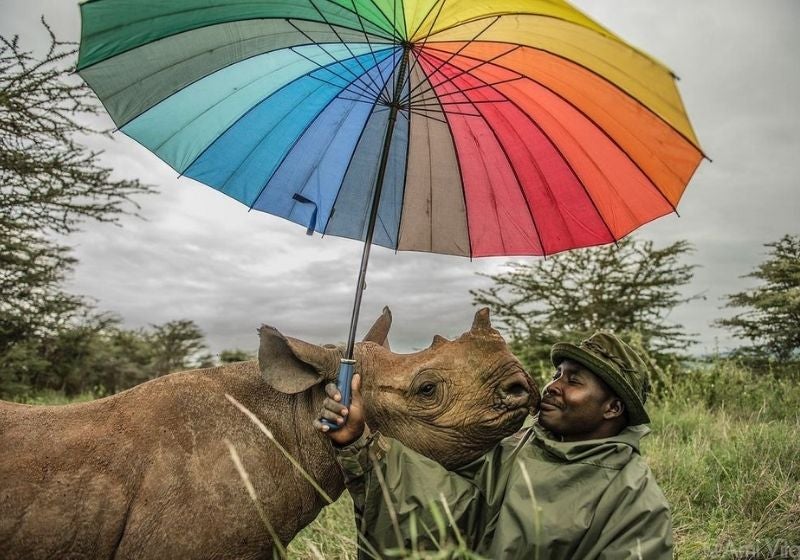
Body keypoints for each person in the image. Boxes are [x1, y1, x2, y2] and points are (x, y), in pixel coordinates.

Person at [314, 332, 672, 559]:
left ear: (612, 408)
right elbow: (451, 509)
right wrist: (360, 441)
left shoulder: (634, 501)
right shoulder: (517, 449)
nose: (552, 386)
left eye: (573, 381)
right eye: (556, 375)